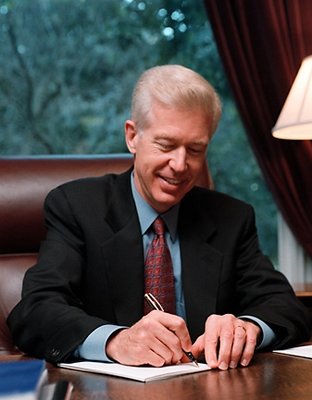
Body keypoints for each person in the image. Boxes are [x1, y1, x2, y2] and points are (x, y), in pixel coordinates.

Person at [8, 65, 311, 370]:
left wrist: (248, 329)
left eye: (195, 149)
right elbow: (35, 311)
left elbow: (287, 308)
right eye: (166, 145)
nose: (180, 165)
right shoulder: (76, 207)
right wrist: (115, 341)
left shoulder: (232, 218)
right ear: (132, 137)